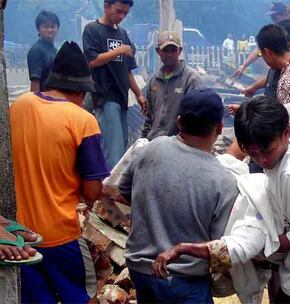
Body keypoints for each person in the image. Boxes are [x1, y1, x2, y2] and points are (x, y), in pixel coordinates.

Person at [154, 96, 290, 304]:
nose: (262, 160)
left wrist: (261, 249)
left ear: (286, 133)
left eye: (267, 151)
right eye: (253, 153)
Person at [10, 41, 110, 303]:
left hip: (20, 238)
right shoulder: (82, 120)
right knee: (82, 296)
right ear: (83, 90)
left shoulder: (19, 106)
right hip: (61, 236)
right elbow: (91, 192)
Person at [119, 88, 238, 303]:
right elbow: (217, 243)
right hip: (184, 279)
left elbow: (125, 190)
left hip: (140, 270)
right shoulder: (224, 180)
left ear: (179, 122)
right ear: (220, 128)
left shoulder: (152, 148)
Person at [83, 0, 146, 170]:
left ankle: (113, 186)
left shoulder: (123, 34)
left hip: (121, 96)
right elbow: (92, 61)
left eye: (125, 13)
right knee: (113, 147)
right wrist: (118, 51)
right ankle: (108, 189)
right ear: (106, 6)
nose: (121, 16)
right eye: (118, 11)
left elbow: (128, 71)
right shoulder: (92, 30)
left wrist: (139, 94)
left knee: (122, 143)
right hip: (104, 96)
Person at [141, 31, 203, 141]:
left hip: (178, 143)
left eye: (173, 50)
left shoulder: (191, 79)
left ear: (180, 51)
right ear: (158, 51)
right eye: (165, 50)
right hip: (154, 142)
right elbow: (149, 117)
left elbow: (195, 117)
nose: (169, 54)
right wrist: (144, 140)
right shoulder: (153, 80)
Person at [233, 1, 287, 78]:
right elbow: (259, 51)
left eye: (275, 16)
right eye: (271, 16)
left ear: (284, 14)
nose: (273, 19)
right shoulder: (275, 31)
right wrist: (244, 65)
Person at [27, 10, 59, 92]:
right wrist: (37, 103)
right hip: (44, 99)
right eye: (45, 27)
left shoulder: (54, 49)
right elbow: (35, 82)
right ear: (38, 29)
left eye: (52, 27)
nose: (50, 30)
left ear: (57, 28)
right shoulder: (36, 50)